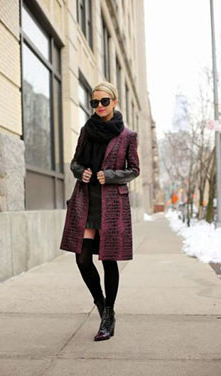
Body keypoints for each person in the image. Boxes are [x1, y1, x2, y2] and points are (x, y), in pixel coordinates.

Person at [60, 81, 140, 341]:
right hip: (86, 199)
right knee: (82, 259)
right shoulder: (86, 130)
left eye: (104, 101)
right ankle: (101, 304)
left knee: (108, 259)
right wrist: (78, 171)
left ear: (114, 102)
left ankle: (109, 315)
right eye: (95, 102)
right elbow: (75, 161)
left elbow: (134, 170)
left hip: (111, 203)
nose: (100, 106)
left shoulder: (127, 135)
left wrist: (112, 175)